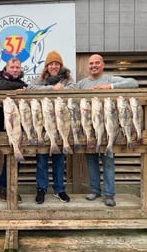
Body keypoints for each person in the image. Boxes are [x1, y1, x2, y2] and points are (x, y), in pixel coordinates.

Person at [75, 53, 139, 207]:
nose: (94, 66)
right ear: (88, 66)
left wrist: (109, 87)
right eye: (91, 63)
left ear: (102, 65)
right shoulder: (82, 84)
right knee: (91, 162)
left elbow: (134, 82)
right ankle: (95, 190)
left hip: (109, 129)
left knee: (108, 162)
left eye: (97, 63)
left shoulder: (110, 79)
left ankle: (109, 194)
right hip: (89, 130)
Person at [29, 50, 76, 204]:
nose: (54, 67)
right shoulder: (40, 80)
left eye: (57, 64)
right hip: (42, 124)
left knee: (59, 158)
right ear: (47, 66)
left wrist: (63, 89)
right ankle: (41, 189)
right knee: (42, 158)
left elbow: (75, 89)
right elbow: (31, 88)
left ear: (60, 65)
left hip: (62, 123)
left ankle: (59, 189)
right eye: (51, 64)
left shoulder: (67, 79)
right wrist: (51, 89)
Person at [0, 57, 27, 202]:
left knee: (14, 158)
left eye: (17, 67)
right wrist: (18, 90)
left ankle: (9, 189)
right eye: (12, 67)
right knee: (1, 158)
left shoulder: (23, 84)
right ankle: (0, 187)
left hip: (16, 127)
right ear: (6, 69)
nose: (15, 69)